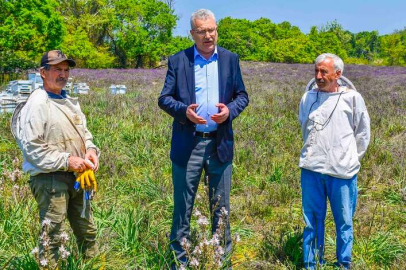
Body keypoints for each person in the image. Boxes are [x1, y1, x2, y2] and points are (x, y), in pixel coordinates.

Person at [158, 9, 249, 268]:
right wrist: (183, 112)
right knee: (182, 208)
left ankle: (222, 262)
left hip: (219, 144)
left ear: (217, 29)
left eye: (211, 30)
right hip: (189, 144)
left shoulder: (231, 59)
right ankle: (180, 263)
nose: (208, 36)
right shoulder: (179, 60)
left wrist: (229, 111)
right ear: (192, 34)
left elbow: (242, 95)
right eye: (201, 31)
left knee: (221, 209)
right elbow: (164, 98)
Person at [15, 50, 100, 265]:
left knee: (87, 231)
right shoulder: (37, 103)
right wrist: (68, 160)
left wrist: (91, 151)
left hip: (78, 177)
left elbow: (84, 133)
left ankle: (94, 266)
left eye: (66, 70)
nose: (62, 74)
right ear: (43, 72)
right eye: (57, 70)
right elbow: (33, 148)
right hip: (50, 178)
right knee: (51, 236)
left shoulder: (69, 101)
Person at [298, 53, 370, 269]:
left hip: (342, 173)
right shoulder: (307, 98)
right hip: (311, 169)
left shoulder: (353, 98)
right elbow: (304, 128)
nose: (319, 76)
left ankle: (343, 263)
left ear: (338, 74)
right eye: (316, 71)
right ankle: (312, 264)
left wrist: (348, 159)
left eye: (324, 72)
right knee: (311, 220)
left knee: (344, 222)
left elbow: (363, 134)